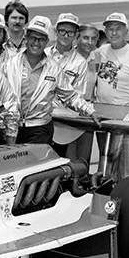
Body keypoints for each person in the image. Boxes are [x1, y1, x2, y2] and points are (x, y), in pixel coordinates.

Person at [2, 16, 98, 145]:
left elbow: (71, 96)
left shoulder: (54, 68)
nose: (36, 42)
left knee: (36, 165)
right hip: (11, 129)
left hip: (39, 129)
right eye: (33, 38)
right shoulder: (10, 64)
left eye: (41, 39)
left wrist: (90, 111)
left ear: (47, 41)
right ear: (26, 37)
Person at [94, 12, 129, 180]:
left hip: (126, 119)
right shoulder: (100, 52)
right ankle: (105, 200)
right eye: (110, 29)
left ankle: (124, 200)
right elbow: (91, 79)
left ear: (127, 31)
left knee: (124, 168)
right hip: (103, 117)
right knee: (106, 165)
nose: (114, 32)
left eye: (118, 29)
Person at [46, 13, 91, 159]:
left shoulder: (80, 63)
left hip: (63, 125)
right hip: (39, 122)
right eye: (62, 31)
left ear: (76, 35)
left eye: (70, 32)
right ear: (56, 32)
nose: (66, 35)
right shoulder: (43, 54)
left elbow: (78, 96)